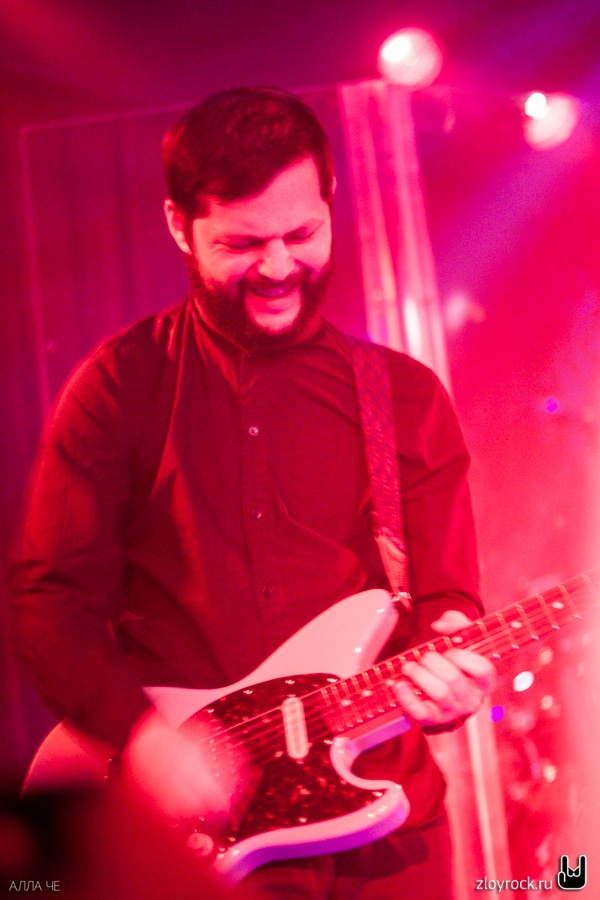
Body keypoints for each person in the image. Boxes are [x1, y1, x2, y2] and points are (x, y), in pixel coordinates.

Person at [11, 87, 496, 897]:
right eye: (241, 243)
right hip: (193, 838)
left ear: (330, 202)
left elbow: (447, 600)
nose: (277, 268)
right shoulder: (119, 386)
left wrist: (454, 666)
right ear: (180, 227)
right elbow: (50, 604)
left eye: (301, 234)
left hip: (386, 830)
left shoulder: (407, 398)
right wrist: (144, 738)